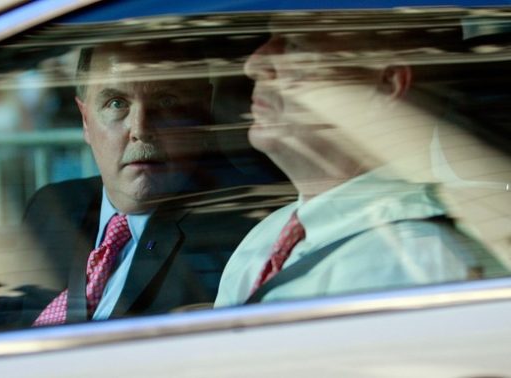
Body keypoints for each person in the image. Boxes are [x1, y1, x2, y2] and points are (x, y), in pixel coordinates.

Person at [214, 23, 506, 307]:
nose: (254, 64)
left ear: (387, 85)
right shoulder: (271, 232)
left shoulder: (414, 258)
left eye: (296, 43)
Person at [20, 40, 258, 325]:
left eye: (166, 101)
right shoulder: (52, 207)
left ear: (202, 112)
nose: (141, 130)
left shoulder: (241, 233)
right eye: (116, 103)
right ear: (85, 120)